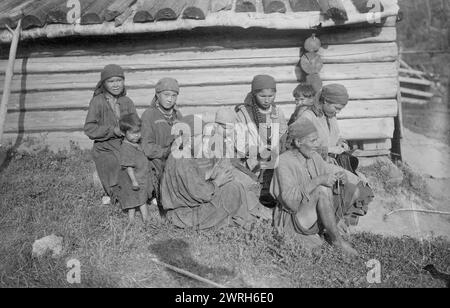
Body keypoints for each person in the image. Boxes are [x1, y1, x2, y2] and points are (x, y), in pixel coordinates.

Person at [270, 118, 360, 257]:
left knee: (351, 190)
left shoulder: (314, 157)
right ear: (298, 142)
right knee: (321, 190)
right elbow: (289, 201)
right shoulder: (284, 161)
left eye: (317, 140)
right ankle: (337, 240)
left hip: (312, 210)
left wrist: (340, 178)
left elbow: (328, 178)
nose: (317, 144)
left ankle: (331, 227)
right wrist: (318, 181)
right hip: (293, 216)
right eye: (313, 141)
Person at [160, 115, 253, 230]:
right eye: (202, 137)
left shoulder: (180, 154)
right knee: (233, 189)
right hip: (185, 216)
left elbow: (188, 182)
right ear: (189, 138)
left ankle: (242, 220)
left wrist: (210, 174)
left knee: (232, 186)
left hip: (184, 211)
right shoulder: (183, 160)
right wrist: (217, 182)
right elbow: (199, 194)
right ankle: (240, 221)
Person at [84, 64, 138, 205]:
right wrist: (112, 130)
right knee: (114, 163)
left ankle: (144, 192)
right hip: (105, 146)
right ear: (104, 83)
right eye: (111, 81)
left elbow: (135, 123)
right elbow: (90, 129)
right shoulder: (98, 102)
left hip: (127, 143)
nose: (116, 85)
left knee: (141, 161)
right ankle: (117, 195)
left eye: (119, 80)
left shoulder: (127, 102)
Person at [235, 75, 288, 208]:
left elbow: (282, 131)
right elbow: (239, 139)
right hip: (251, 156)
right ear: (254, 94)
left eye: (271, 96)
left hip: (273, 156)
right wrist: (257, 150)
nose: (267, 100)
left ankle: (273, 198)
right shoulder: (244, 113)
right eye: (262, 96)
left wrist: (277, 147)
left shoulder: (277, 112)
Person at [141, 78, 183, 205]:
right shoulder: (149, 115)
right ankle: (155, 192)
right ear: (157, 95)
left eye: (174, 95)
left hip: (174, 156)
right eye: (166, 95)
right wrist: (166, 152)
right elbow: (147, 147)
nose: (170, 99)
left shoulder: (178, 115)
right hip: (156, 158)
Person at [117, 114, 153, 224]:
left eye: (138, 132)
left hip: (139, 176)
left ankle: (134, 220)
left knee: (138, 199)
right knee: (138, 200)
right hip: (133, 179)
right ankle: (142, 219)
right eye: (133, 133)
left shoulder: (135, 144)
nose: (137, 136)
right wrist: (134, 181)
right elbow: (129, 167)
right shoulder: (126, 148)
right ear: (123, 133)